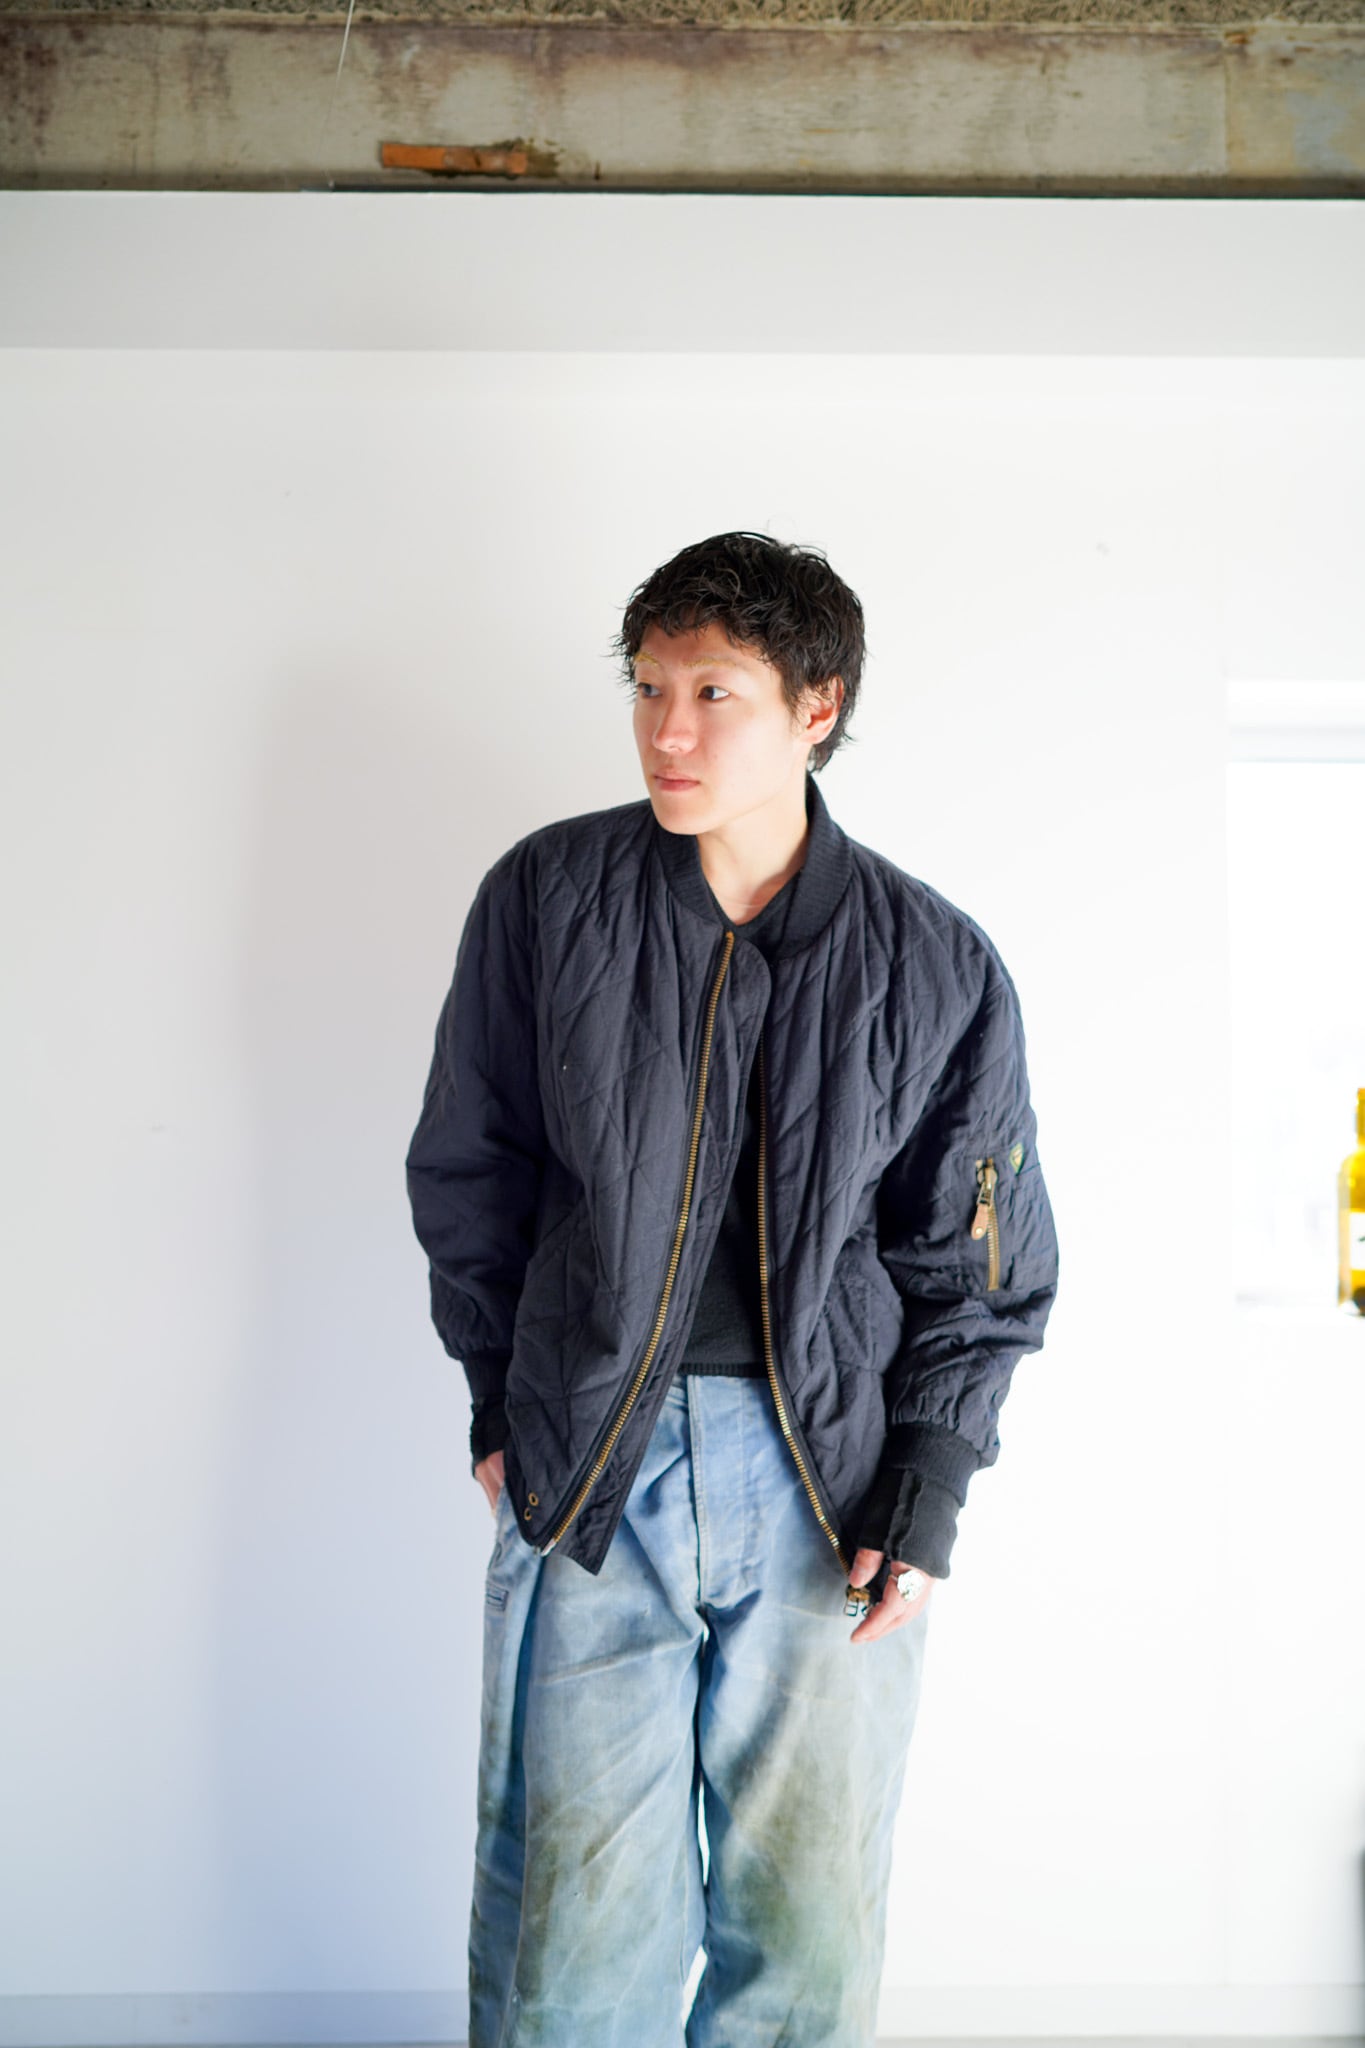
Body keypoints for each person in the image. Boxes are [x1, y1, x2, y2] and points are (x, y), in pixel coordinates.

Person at [405, 531, 1060, 2048]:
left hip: (829, 1488)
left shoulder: (933, 960)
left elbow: (975, 1260)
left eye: (713, 692)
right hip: (593, 1465)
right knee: (573, 1947)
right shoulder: (549, 897)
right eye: (647, 688)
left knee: (806, 1939)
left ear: (815, 709)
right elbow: (471, 1164)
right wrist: (497, 1402)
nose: (667, 731)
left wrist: (928, 1485)